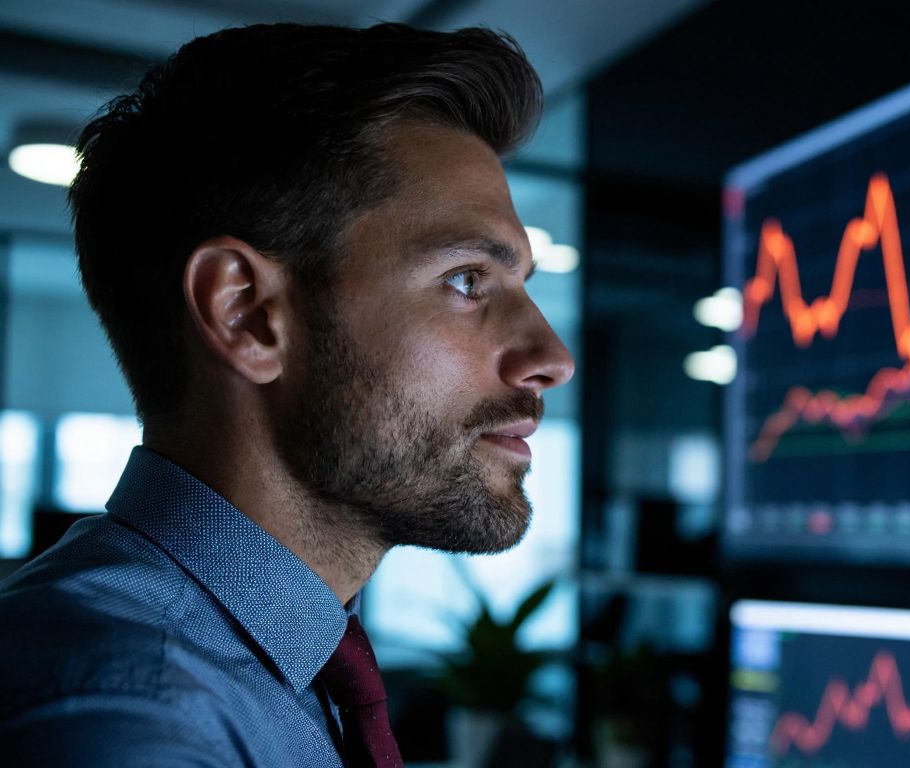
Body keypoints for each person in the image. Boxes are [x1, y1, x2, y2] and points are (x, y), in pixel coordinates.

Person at [0, 22, 573, 768]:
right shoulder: (123, 724)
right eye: (468, 280)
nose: (552, 358)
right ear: (248, 314)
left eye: (522, 285)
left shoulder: (276, 671)